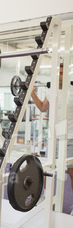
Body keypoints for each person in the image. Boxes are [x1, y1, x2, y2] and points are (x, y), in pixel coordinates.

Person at [31, 64, 73, 215]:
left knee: (72, 172)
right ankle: (47, 199)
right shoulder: (51, 91)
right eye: (58, 73)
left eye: (63, 73)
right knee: (47, 169)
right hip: (53, 138)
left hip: (70, 138)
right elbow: (42, 107)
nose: (60, 76)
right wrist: (32, 93)